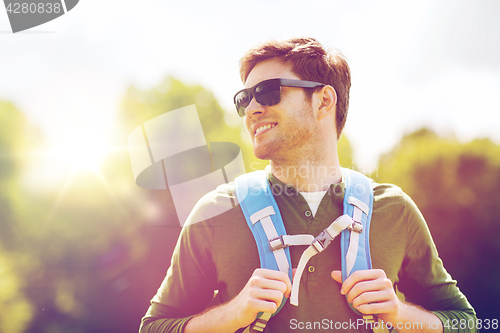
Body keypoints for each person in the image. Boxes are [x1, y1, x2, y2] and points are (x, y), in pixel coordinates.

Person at [139, 37, 477, 333]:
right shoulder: (215, 211)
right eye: (244, 99)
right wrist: (230, 316)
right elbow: (153, 327)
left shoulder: (395, 210)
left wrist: (400, 314)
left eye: (268, 92)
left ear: (323, 101)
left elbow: (465, 321)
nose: (251, 109)